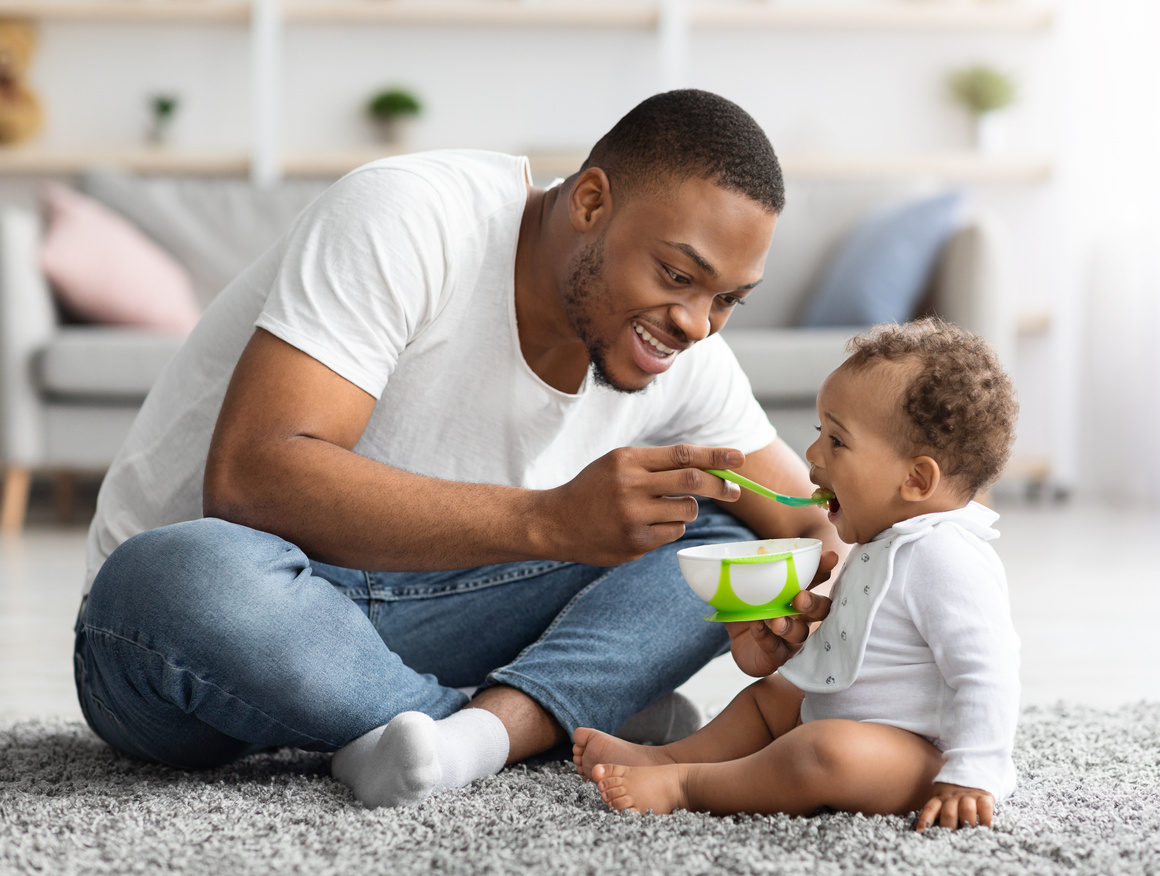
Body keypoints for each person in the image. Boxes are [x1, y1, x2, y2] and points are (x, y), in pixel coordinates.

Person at [73, 90, 846, 809]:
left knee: (722, 534)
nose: (697, 324)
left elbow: (808, 523)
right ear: (589, 202)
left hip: (434, 620)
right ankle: (530, 718)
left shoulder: (680, 350)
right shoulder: (411, 216)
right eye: (678, 275)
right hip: (214, 640)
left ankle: (454, 734)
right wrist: (549, 521)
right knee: (174, 577)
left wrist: (820, 603)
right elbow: (249, 479)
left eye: (727, 302)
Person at [573, 318, 1021, 831]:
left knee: (821, 750)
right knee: (775, 698)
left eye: (837, 441)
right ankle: (672, 758)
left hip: (922, 758)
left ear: (916, 479)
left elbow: (989, 671)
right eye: (818, 433)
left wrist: (970, 774)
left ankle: (687, 786)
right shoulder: (887, 539)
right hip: (856, 726)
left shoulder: (946, 555)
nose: (812, 457)